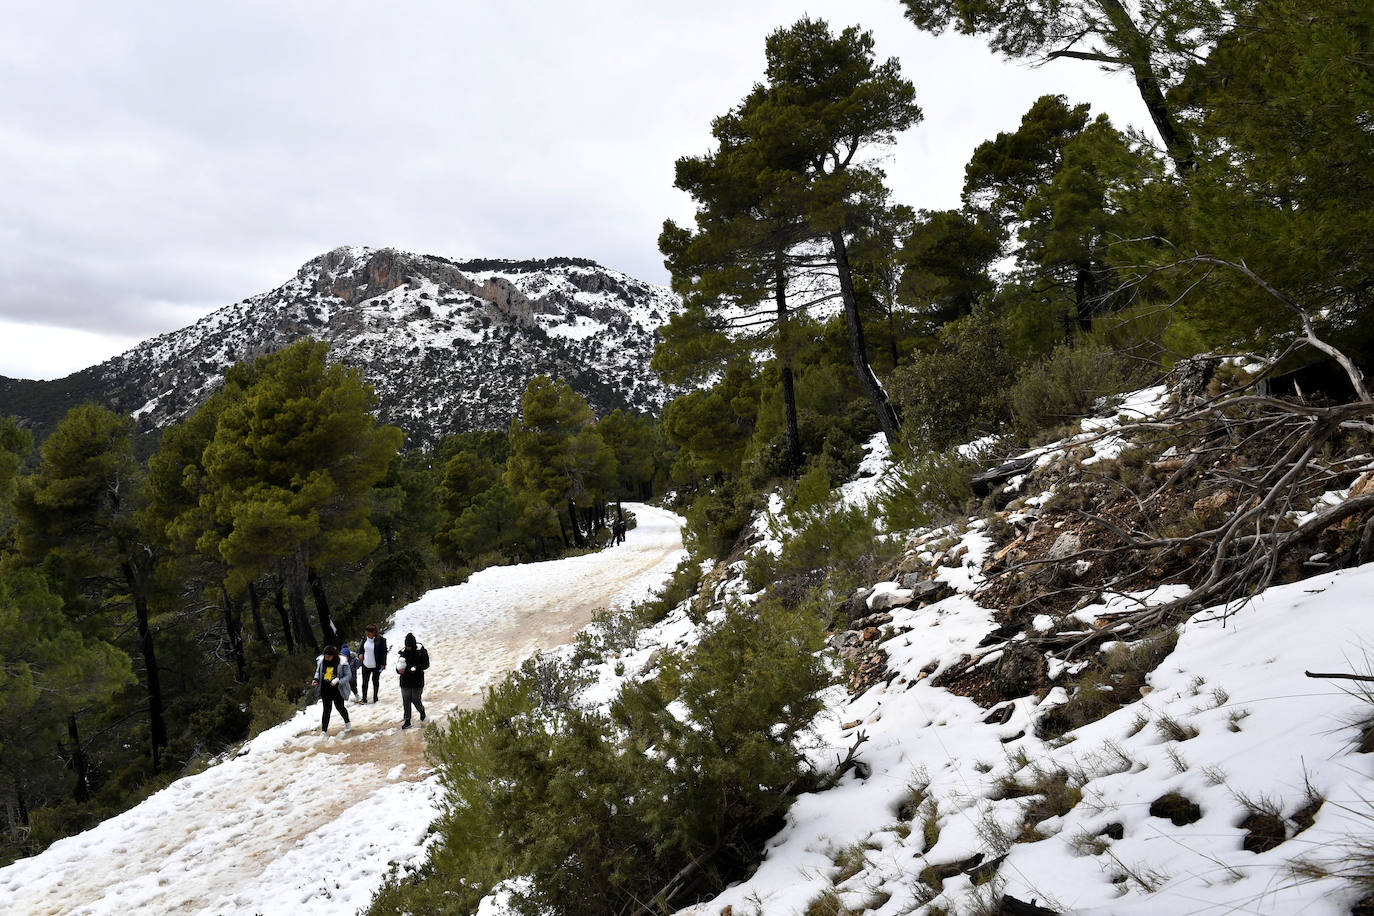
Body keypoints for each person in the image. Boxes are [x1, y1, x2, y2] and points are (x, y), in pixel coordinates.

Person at [312, 645, 352, 736]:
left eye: (329, 657)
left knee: (340, 707)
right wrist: (316, 680)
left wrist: (339, 681)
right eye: (325, 656)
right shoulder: (321, 661)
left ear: (334, 655)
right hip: (325, 689)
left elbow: (348, 676)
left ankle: (347, 723)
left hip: (337, 690)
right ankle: (324, 731)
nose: (327, 658)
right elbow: (318, 672)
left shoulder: (342, 662)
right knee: (326, 710)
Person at [397, 632, 430, 730]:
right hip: (405, 681)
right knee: (406, 700)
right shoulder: (402, 653)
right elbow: (398, 665)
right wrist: (399, 670)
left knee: (416, 699)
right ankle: (407, 720)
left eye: (410, 646)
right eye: (406, 646)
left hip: (417, 680)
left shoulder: (421, 651)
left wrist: (416, 668)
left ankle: (422, 711)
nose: (408, 648)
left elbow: (426, 664)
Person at [357, 623, 388, 704]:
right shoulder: (365, 638)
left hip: (376, 666)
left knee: (375, 681)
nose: (367, 635)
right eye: (366, 633)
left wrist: (383, 664)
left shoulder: (381, 640)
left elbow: (384, 653)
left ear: (373, 632)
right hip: (365, 664)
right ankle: (364, 698)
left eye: (368, 633)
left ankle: (375, 698)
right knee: (364, 683)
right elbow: (361, 649)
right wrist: (360, 654)